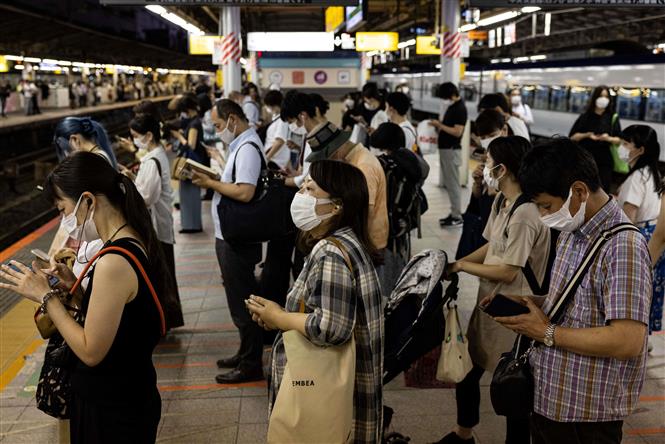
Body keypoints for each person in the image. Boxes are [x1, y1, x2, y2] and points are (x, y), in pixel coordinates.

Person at [0, 151, 170, 443]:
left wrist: (46, 298)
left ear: (89, 200)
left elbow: (92, 351)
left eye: (63, 209)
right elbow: (123, 320)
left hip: (111, 408)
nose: (64, 219)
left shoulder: (113, 261)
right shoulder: (129, 240)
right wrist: (76, 291)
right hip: (128, 392)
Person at [505, 138, 651, 444]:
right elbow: (579, 301)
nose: (545, 216)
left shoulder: (623, 246)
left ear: (579, 191)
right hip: (552, 398)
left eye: (547, 206)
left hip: (586, 414)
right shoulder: (575, 230)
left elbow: (628, 340)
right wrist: (532, 303)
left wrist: (546, 332)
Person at [246, 160, 384, 444]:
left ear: (336, 206)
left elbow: (331, 327)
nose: (301, 194)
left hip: (327, 390)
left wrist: (280, 318)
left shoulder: (330, 252)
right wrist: (278, 314)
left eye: (311, 188)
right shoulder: (348, 241)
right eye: (303, 186)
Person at [438, 136, 549, 444]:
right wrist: (458, 262)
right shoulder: (503, 202)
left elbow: (508, 269)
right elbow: (491, 246)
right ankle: (464, 433)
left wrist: (461, 267)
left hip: (514, 307)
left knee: (513, 385)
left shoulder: (527, 213)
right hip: (490, 300)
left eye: (486, 161)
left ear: (502, 169)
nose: (482, 166)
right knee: (469, 371)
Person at [191, 99, 266, 384]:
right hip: (230, 234)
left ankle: (250, 364)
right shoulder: (241, 146)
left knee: (244, 300)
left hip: (238, 237)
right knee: (238, 298)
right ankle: (244, 352)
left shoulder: (247, 149)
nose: (219, 130)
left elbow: (245, 192)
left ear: (233, 120)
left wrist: (210, 184)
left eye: (220, 125)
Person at [124, 114, 184, 330]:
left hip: (156, 228)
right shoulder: (157, 155)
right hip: (161, 224)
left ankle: (163, 322)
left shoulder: (152, 160)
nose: (134, 141)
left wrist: (129, 185)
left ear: (149, 135)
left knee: (161, 276)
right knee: (165, 274)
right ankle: (167, 320)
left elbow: (146, 197)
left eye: (136, 136)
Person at [305, 121, 389, 254]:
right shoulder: (351, 160)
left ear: (335, 152)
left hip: (369, 243)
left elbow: (366, 211)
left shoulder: (364, 166)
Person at [617, 125, 663, 336]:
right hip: (653, 233)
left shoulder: (635, 178)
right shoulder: (652, 172)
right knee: (650, 291)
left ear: (640, 150)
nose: (621, 148)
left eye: (626, 144)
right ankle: (646, 335)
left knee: (635, 292)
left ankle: (634, 337)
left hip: (642, 237)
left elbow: (628, 219)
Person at [370, 122, 423, 291]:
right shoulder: (410, 160)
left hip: (386, 229)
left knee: (384, 280)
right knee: (399, 271)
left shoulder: (384, 165)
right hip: (402, 228)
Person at [569, 85, 621, 192]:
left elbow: (619, 139)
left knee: (602, 190)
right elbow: (572, 137)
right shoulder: (585, 116)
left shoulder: (612, 117)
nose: (603, 99)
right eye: (601, 96)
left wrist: (607, 138)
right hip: (585, 160)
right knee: (584, 189)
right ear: (595, 98)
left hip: (604, 160)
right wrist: (587, 135)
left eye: (606, 97)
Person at [429, 82, 467, 227]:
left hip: (451, 150)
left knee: (453, 184)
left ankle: (457, 216)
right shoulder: (453, 106)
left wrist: (440, 126)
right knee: (450, 184)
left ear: (451, 94)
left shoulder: (460, 108)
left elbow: (458, 132)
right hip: (447, 150)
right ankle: (454, 213)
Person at [171, 95, 206, 233]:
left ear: (187, 109)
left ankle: (192, 225)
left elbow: (191, 145)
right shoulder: (194, 121)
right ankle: (191, 224)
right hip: (193, 163)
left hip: (191, 165)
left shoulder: (194, 124)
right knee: (188, 194)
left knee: (189, 194)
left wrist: (179, 137)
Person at [54, 116, 118, 169]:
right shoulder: (98, 154)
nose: (67, 154)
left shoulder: (93, 161)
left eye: (67, 149)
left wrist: (77, 156)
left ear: (75, 139)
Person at [262, 90, 291, 170]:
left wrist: (267, 158)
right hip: (274, 159)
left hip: (275, 161)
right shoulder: (277, 118)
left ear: (273, 106)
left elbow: (279, 141)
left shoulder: (282, 121)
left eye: (268, 105)